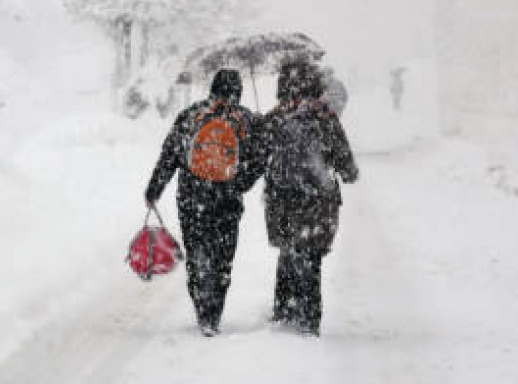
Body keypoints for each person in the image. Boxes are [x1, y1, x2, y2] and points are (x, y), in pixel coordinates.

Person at [244, 60, 358, 336]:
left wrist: (259, 126)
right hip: (319, 203)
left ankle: (284, 310)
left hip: (281, 201)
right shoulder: (326, 118)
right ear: (316, 85)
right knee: (311, 258)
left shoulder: (276, 117)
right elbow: (348, 170)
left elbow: (255, 158)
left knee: (287, 251)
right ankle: (309, 320)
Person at [144, 68, 256, 337]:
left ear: (212, 88)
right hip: (227, 200)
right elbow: (255, 162)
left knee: (197, 254)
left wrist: (154, 188)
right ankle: (213, 314)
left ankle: (201, 308)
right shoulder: (244, 119)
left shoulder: (192, 115)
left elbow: (169, 154)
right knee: (222, 260)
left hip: (192, 198)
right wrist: (240, 182)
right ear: (238, 91)